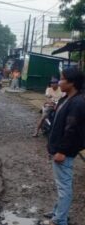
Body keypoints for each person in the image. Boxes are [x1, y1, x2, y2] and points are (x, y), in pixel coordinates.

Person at [46, 68, 85, 225]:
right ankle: (58, 212)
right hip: (59, 148)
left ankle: (60, 219)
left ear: (72, 82)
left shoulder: (78, 102)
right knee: (61, 184)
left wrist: (62, 151)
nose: (58, 82)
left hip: (64, 152)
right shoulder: (67, 98)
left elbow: (72, 130)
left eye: (61, 79)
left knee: (64, 186)